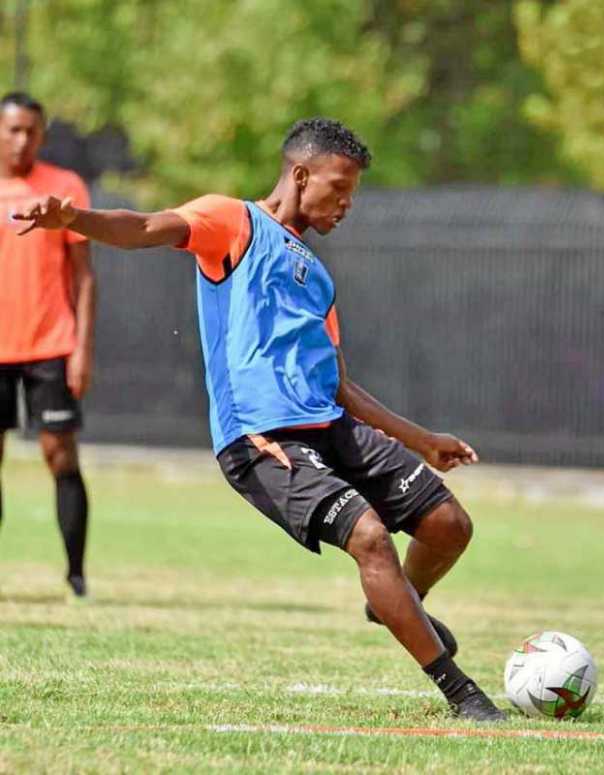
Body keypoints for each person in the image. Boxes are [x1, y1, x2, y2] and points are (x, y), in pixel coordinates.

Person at [14, 117, 504, 720]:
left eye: (353, 193)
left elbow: (341, 385)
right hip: (260, 441)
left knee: (450, 525)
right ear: (300, 175)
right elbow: (143, 227)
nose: (346, 204)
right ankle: (462, 693)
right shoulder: (232, 222)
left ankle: (399, 602)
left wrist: (421, 440)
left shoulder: (318, 277)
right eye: (339, 187)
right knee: (371, 537)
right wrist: (76, 219)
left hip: (330, 425)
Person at [0, 92, 95, 598]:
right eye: (13, 129)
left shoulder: (64, 187)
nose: (22, 140)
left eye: (31, 131)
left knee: (60, 456)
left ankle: (77, 576)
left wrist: (81, 347)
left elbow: (84, 278)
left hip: (50, 345)